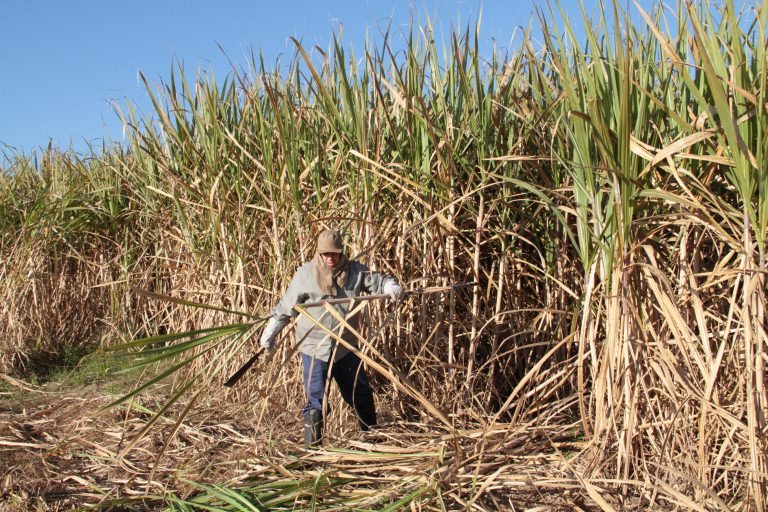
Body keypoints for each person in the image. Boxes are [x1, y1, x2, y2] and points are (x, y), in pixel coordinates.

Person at [260, 229, 404, 446]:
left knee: (360, 393)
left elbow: (376, 281)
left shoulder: (354, 272)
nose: (330, 258)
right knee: (316, 400)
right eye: (326, 254)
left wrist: (389, 286)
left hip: (345, 347)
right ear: (319, 253)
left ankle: (373, 441)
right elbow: (286, 307)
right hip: (315, 348)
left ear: (341, 253)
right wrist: (271, 331)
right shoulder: (305, 275)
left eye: (334, 254)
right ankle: (313, 450)